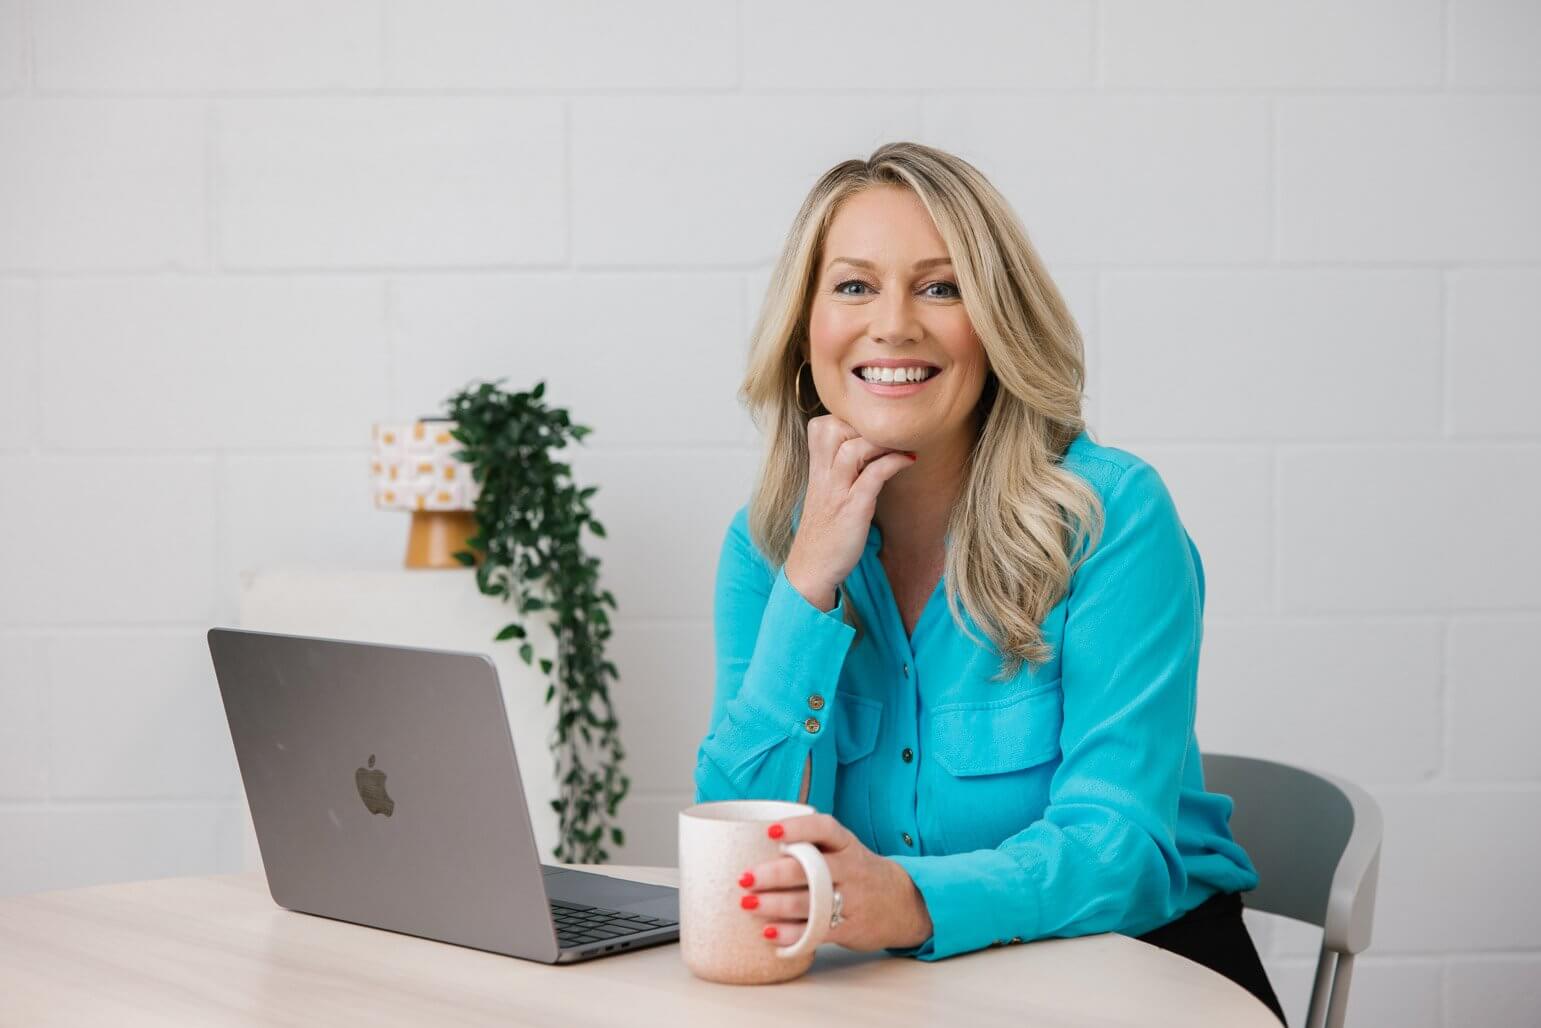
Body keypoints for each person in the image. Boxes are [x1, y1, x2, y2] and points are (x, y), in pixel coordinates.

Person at [693, 141, 1286, 1024]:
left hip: (1139, 976)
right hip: (894, 991)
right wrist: (809, 581)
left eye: (941, 287)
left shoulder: (1110, 516)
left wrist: (913, 899)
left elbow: (1119, 846)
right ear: (802, 327)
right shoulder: (766, 544)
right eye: (853, 286)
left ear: (998, 322)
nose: (892, 325)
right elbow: (736, 825)